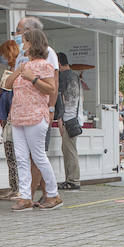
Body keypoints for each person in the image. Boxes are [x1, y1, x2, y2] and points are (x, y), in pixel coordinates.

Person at [2, 27, 60, 211]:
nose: (22, 44)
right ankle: (25, 196)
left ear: (32, 43)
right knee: (21, 158)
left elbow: (51, 89)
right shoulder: (23, 64)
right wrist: (19, 70)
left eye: (25, 41)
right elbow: (8, 85)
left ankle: (53, 194)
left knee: (38, 156)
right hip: (18, 116)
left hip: (36, 116)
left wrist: (32, 78)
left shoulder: (45, 65)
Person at [54, 52, 83, 190]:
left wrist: (60, 118)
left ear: (59, 63)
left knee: (69, 150)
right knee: (70, 149)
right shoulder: (75, 76)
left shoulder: (64, 77)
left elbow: (62, 99)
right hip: (75, 118)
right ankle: (71, 179)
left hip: (68, 119)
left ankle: (72, 180)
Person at [0, 39, 20, 198]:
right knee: (13, 156)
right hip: (12, 118)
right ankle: (16, 187)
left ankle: (16, 188)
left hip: (13, 120)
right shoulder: (14, 71)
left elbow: (8, 97)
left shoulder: (14, 73)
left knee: (13, 156)